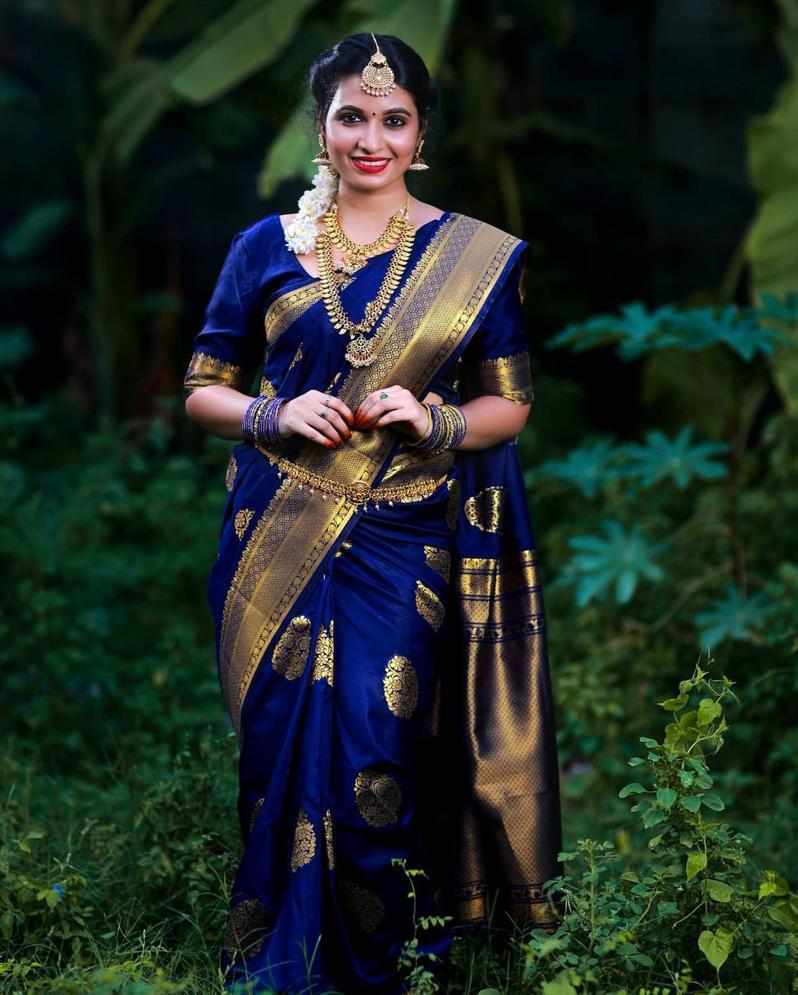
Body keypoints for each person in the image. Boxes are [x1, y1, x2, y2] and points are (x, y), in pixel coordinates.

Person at [183, 31, 564, 995]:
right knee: (276, 755)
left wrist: (437, 419)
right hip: (277, 531)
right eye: (351, 117)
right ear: (321, 127)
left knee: (374, 749)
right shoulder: (265, 248)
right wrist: (270, 413)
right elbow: (203, 387)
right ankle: (279, 959)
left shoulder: (474, 258)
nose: (371, 139)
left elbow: (510, 405)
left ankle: (394, 966)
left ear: (421, 133)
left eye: (394, 120)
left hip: (404, 535)